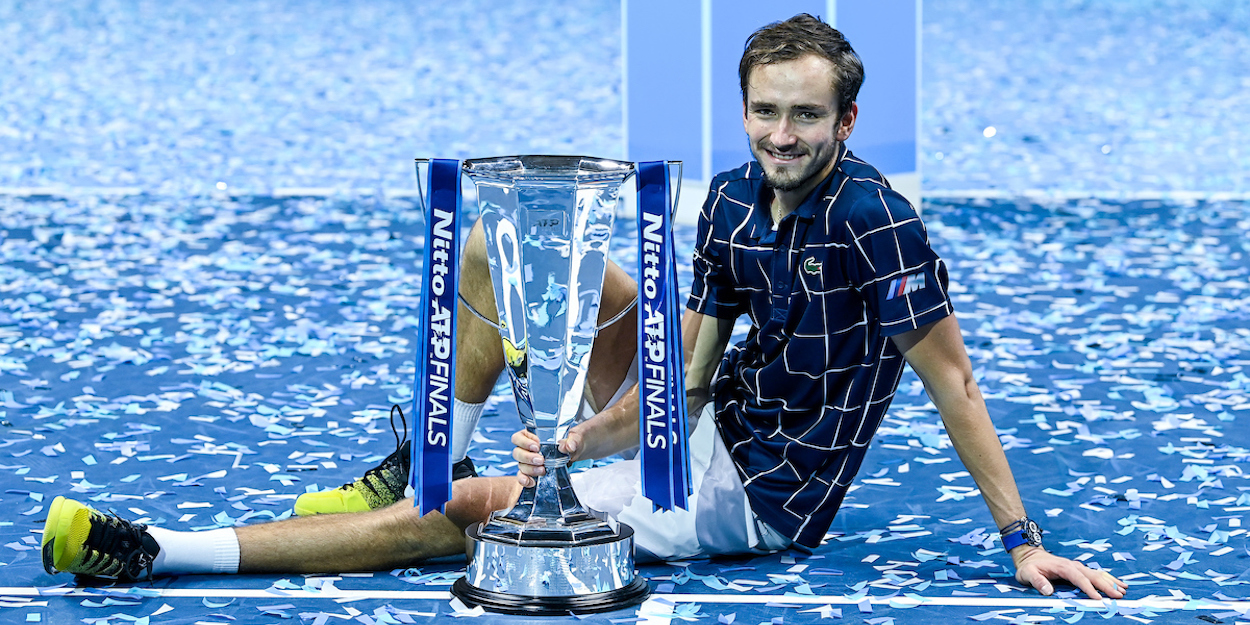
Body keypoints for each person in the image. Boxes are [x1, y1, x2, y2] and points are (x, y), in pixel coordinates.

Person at [41, 14, 1127, 601]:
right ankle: (418, 462)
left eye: (805, 117)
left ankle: (157, 550)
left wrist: (1020, 539)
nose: (780, 136)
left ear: (846, 121)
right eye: (763, 112)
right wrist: (580, 436)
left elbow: (954, 382)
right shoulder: (737, 201)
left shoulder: (876, 226)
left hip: (752, 498)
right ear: (744, 110)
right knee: (490, 252)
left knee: (477, 510)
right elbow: (688, 378)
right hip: (702, 426)